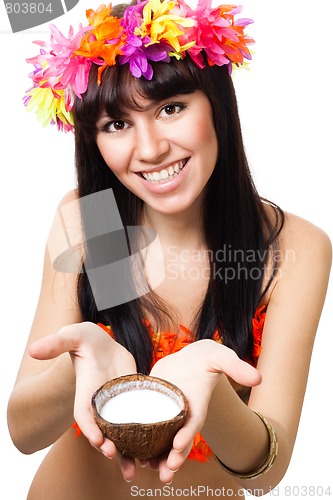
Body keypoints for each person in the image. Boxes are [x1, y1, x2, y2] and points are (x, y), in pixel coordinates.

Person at [7, 0, 331, 498]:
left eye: (171, 108)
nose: (151, 148)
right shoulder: (95, 221)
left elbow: (268, 472)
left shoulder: (291, 249)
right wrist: (71, 372)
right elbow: (22, 433)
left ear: (216, 104)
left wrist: (214, 390)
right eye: (117, 124)